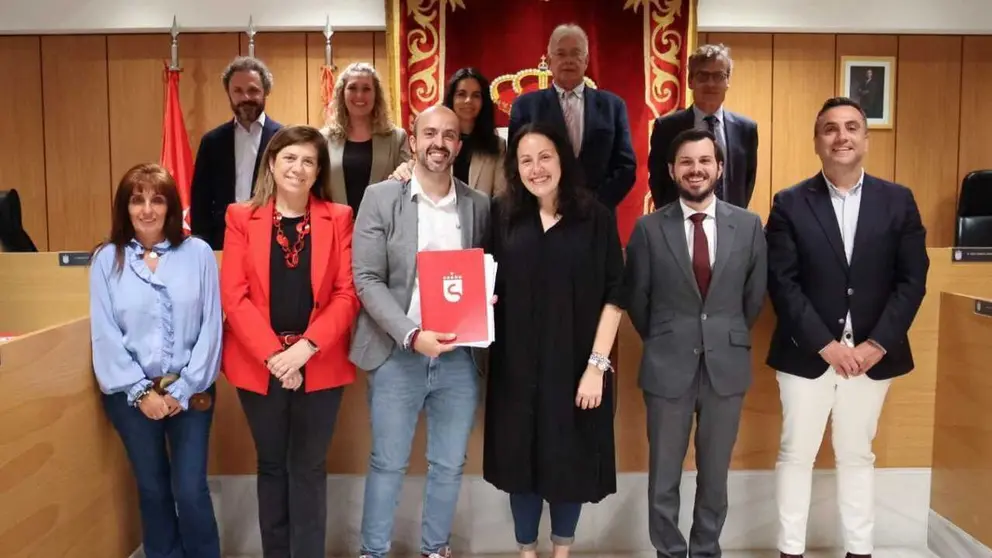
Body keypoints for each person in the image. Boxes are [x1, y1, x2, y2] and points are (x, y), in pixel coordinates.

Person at [765, 97, 929, 558]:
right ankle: (790, 550)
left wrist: (877, 344)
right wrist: (826, 345)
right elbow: (782, 283)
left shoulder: (898, 201)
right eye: (831, 129)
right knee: (796, 454)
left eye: (852, 127)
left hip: (872, 358)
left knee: (857, 455)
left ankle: (860, 550)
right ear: (817, 141)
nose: (842, 137)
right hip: (807, 354)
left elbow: (912, 280)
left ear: (866, 138)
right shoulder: (790, 203)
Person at [350, 104, 490, 558]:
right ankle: (373, 552)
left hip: (458, 357)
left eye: (449, 135)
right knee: (387, 463)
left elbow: (485, 271)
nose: (439, 143)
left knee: (449, 465)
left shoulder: (478, 205)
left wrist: (486, 298)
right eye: (430, 133)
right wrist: (411, 335)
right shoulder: (380, 198)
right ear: (412, 141)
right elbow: (366, 279)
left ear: (459, 146)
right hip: (397, 354)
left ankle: (436, 550)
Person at [484, 120, 624, 558]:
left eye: (545, 156)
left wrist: (596, 368)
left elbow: (615, 297)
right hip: (515, 366)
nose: (536, 168)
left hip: (577, 366)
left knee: (570, 461)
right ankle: (526, 551)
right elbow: (482, 278)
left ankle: (562, 551)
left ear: (562, 158)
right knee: (518, 463)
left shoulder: (595, 217)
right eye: (525, 159)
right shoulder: (502, 214)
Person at [625, 128, 767, 558]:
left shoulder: (748, 225)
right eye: (686, 162)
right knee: (663, 475)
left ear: (719, 168)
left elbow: (753, 297)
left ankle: (706, 549)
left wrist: (721, 334)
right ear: (671, 170)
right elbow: (638, 300)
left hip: (726, 364)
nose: (696, 170)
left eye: (705, 161)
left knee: (715, 475)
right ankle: (669, 551)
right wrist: (670, 336)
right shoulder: (648, 229)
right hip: (667, 365)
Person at [220, 125, 360, 557]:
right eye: (290, 158)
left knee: (310, 468)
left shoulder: (338, 217)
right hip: (259, 366)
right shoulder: (241, 217)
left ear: (319, 170)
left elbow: (346, 293)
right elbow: (234, 295)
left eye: (308, 161)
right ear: (272, 163)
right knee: (272, 466)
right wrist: (276, 357)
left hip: (320, 362)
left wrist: (304, 350)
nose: (298, 168)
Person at [89, 163, 222, 558]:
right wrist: (140, 391)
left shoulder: (197, 253)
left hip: (191, 392)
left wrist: (183, 387)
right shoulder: (105, 259)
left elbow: (212, 326)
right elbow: (105, 334)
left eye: (157, 199)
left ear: (171, 206)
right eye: (137, 200)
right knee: (152, 487)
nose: (147, 209)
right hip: (131, 398)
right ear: (124, 208)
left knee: (190, 487)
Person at [508, 23, 636, 210]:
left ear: (586, 61)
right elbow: (514, 164)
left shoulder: (613, 106)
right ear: (549, 61)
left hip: (598, 216)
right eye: (561, 54)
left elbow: (626, 167)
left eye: (575, 53)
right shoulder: (526, 106)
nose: (568, 60)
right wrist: (546, 205)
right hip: (543, 215)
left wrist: (595, 205)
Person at [648, 44, 758, 210]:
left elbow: (747, 182)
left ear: (728, 81)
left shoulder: (746, 129)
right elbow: (659, 181)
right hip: (680, 223)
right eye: (703, 76)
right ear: (690, 81)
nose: (711, 84)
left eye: (719, 76)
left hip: (731, 224)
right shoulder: (666, 128)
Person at [190, 56, 283, 249]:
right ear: (229, 93)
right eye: (238, 91)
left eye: (253, 90)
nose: (245, 98)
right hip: (223, 242)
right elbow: (200, 202)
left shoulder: (284, 139)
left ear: (265, 91)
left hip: (273, 241)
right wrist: (203, 248)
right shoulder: (212, 142)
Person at [390, 67, 507, 197]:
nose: (468, 100)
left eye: (476, 95)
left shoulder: (497, 145)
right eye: (461, 94)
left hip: (479, 215)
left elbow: (500, 196)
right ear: (452, 98)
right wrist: (405, 168)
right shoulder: (435, 139)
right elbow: (417, 165)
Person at [321, 62, 411, 216]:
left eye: (366, 89)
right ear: (342, 93)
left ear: (376, 95)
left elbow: (407, 188)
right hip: (335, 229)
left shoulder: (397, 138)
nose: (359, 95)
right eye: (352, 88)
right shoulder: (324, 139)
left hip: (382, 229)